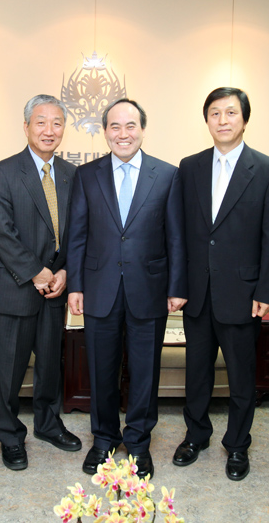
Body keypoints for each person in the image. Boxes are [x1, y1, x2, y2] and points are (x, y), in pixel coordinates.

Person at [66, 98, 187, 479]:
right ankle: (103, 439)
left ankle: (137, 443)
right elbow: (77, 236)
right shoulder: (87, 175)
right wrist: (75, 285)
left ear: (143, 130)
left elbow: (176, 237)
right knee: (101, 369)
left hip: (149, 288)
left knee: (145, 371)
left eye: (130, 125)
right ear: (105, 131)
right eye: (115, 126)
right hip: (98, 288)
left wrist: (177, 286)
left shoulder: (167, 174)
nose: (123, 133)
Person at [174, 87, 269, 480]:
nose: (223, 120)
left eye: (231, 112)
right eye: (215, 113)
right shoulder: (189, 167)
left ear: (245, 119)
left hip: (243, 294)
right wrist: (178, 285)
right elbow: (180, 232)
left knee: (241, 377)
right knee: (196, 374)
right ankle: (196, 435)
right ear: (207, 120)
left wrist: (266, 291)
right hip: (198, 292)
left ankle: (237, 444)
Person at [0, 94, 81, 471]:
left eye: (57, 123)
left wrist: (65, 271)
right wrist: (37, 272)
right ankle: (10, 436)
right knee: (8, 371)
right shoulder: (3, 172)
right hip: (16, 288)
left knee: (50, 365)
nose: (49, 130)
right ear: (26, 126)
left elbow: (78, 231)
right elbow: (1, 232)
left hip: (56, 288)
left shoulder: (73, 174)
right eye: (41, 122)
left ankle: (48, 424)